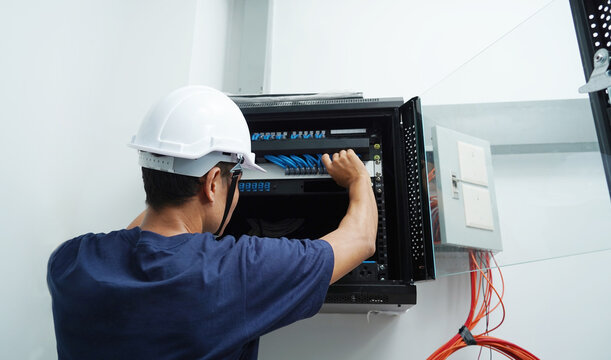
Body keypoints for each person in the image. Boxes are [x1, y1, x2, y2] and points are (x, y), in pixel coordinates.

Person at [47, 86, 378, 360]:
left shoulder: (71, 261)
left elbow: (141, 229)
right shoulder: (236, 272)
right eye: (237, 177)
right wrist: (360, 178)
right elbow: (360, 239)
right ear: (212, 183)